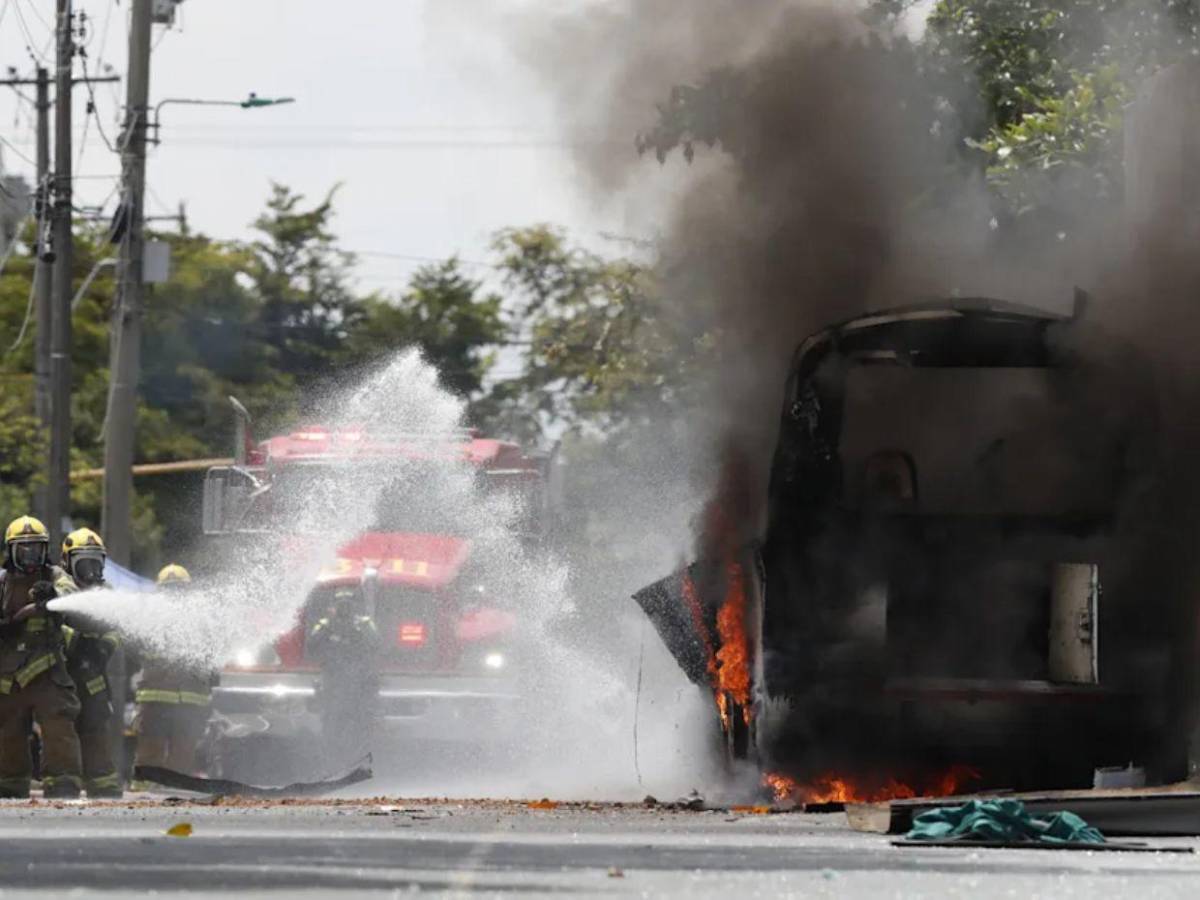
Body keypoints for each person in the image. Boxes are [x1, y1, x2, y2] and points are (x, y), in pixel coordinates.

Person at [0, 516, 82, 798]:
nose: (30, 555)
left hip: (48, 670)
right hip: (8, 676)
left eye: (35, 549)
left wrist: (53, 595)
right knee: (7, 728)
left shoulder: (55, 576)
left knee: (59, 723)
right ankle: (10, 783)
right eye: (23, 549)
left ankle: (63, 782)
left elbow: (71, 591)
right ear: (10, 551)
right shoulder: (2, 581)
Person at [132, 564, 214, 776]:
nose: (174, 596)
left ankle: (175, 790)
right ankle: (145, 794)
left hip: (190, 701)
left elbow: (211, 658)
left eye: (178, 590)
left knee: (183, 752)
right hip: (157, 699)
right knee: (151, 749)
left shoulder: (202, 621)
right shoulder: (149, 620)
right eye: (170, 590)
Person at [59, 528, 123, 798]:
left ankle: (103, 783)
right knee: (62, 729)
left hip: (93, 673)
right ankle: (64, 782)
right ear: (68, 563)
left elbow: (116, 627)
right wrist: (77, 642)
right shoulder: (61, 588)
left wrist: (104, 647)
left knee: (96, 724)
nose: (91, 570)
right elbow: (51, 627)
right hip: (60, 672)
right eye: (84, 563)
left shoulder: (107, 593)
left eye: (95, 563)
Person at [308, 585, 380, 769]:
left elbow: (376, 642)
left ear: (354, 605)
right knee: (332, 722)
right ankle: (330, 759)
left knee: (360, 721)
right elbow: (312, 644)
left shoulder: (364, 623)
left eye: (348, 603)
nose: (345, 607)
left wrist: (359, 632)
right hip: (334, 680)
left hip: (359, 682)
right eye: (341, 603)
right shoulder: (325, 624)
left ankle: (359, 758)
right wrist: (329, 632)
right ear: (334, 605)